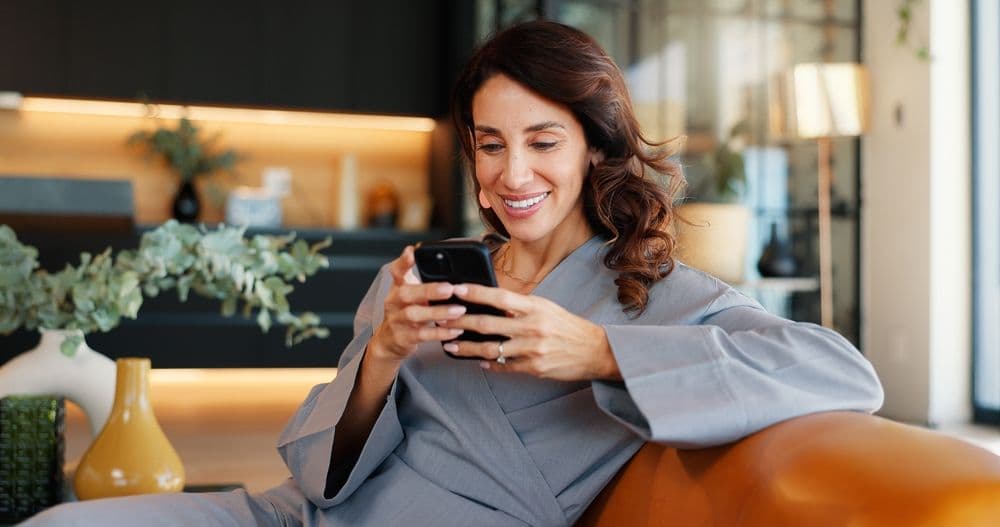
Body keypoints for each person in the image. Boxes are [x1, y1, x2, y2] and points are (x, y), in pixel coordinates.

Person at [24, 20, 883, 527]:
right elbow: (320, 472)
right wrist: (385, 352)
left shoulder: (659, 296)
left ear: (595, 146)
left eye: (544, 143)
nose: (514, 175)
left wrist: (597, 351)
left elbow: (847, 374)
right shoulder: (427, 274)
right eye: (491, 144)